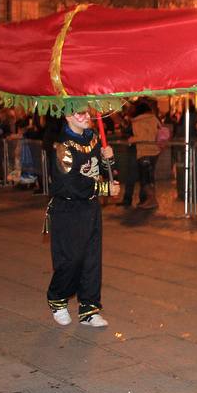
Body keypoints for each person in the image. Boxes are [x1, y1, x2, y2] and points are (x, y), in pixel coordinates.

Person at [45, 109, 117, 327]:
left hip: (91, 208)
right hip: (68, 209)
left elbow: (106, 172)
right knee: (71, 259)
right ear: (67, 117)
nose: (87, 117)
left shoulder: (94, 138)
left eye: (88, 113)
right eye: (80, 113)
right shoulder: (62, 146)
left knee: (91, 259)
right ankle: (57, 299)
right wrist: (104, 188)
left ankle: (89, 308)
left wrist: (109, 160)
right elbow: (69, 183)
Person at [129, 99, 162, 210]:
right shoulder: (154, 118)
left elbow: (143, 137)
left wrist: (132, 139)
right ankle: (151, 200)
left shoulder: (137, 121)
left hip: (144, 152)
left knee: (145, 179)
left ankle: (152, 200)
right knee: (150, 177)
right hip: (155, 151)